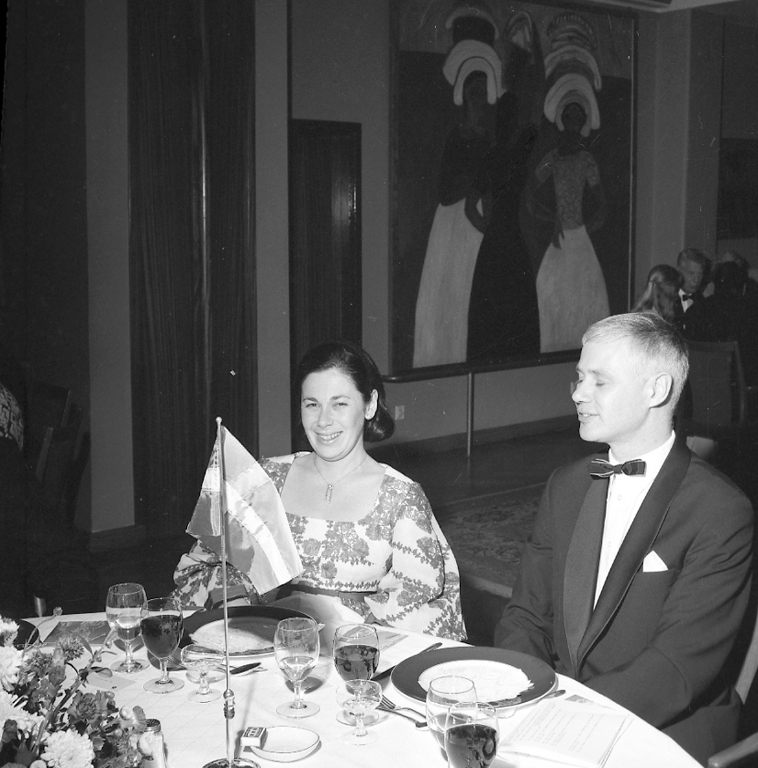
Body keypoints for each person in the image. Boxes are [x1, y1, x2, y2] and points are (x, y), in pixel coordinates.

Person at [494, 312, 753, 764]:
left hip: (663, 731)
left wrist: (566, 718)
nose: (578, 393)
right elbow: (525, 615)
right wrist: (527, 699)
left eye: (600, 381)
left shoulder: (719, 509)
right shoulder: (566, 485)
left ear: (657, 390)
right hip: (554, 711)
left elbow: (676, 669)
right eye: (579, 378)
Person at [173, 340, 466, 641]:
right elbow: (201, 567)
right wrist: (237, 603)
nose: (324, 421)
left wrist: (351, 632)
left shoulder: (401, 497)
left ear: (370, 405)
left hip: (356, 655)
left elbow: (423, 606)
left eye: (340, 404)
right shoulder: (265, 479)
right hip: (262, 645)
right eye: (312, 404)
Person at [673, 248, 709, 333]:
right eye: (691, 273)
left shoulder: (704, 303)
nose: (696, 280)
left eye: (700, 274)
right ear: (678, 271)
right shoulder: (668, 299)